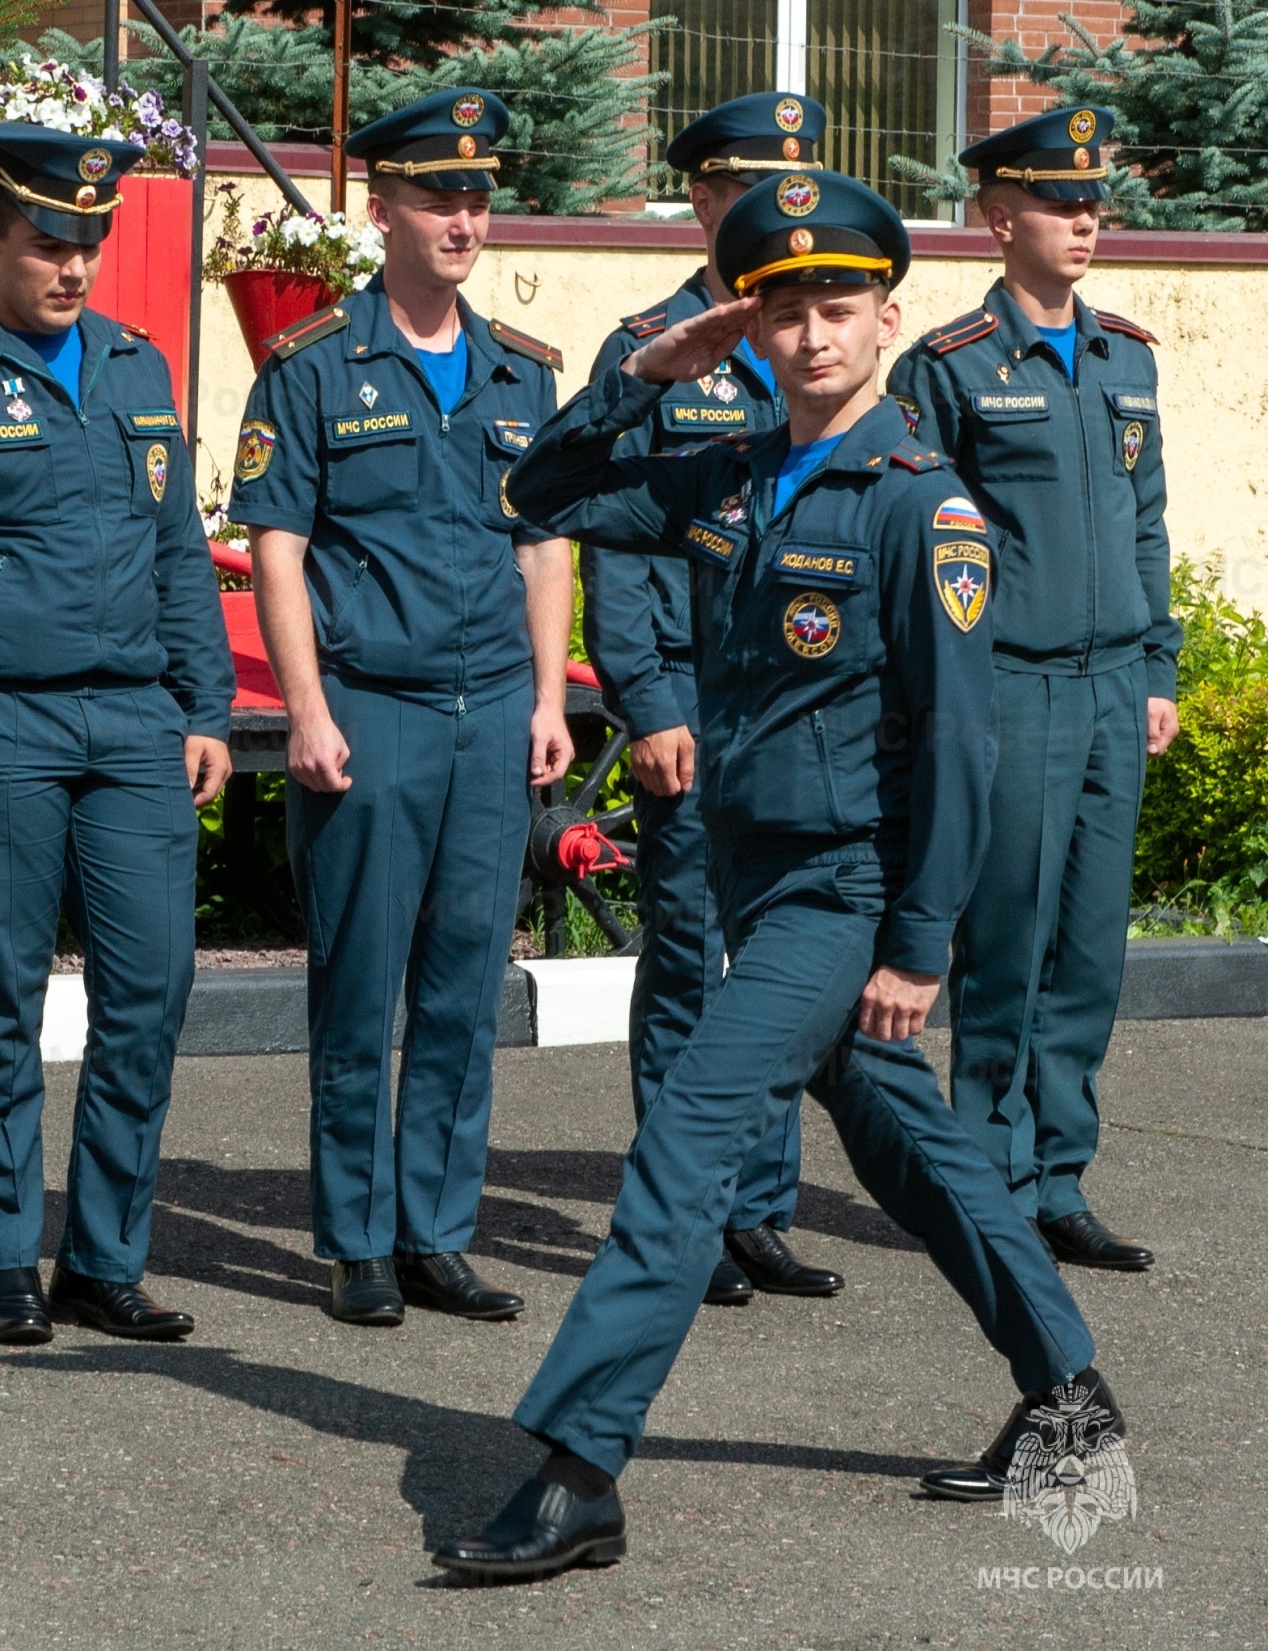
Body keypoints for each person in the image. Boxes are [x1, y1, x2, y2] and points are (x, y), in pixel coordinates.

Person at [433, 171, 1118, 1581]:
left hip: (843, 886)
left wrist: (917, 944)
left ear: (885, 319)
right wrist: (646, 373)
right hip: (759, 878)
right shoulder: (733, 470)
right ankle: (1068, 1400)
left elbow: (966, 743)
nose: (812, 336)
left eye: (839, 307)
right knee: (909, 1149)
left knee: (689, 1134)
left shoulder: (922, 507)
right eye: (785, 310)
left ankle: (579, 1463)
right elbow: (533, 490)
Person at [0, 122, 235, 1347]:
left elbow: (179, 551)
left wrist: (206, 704)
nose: (72, 267)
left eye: (90, 242)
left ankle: (104, 1260)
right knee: (2, 993)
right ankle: (8, 1258)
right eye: (47, 242)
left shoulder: (138, 367)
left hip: (132, 722)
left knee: (148, 992)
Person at [228, 87, 574, 1328]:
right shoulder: (314, 365)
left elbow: (543, 546)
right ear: (380, 211)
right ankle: (355, 1238)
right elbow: (276, 546)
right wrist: (305, 712)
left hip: (490, 717)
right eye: (437, 196)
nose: (462, 218)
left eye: (477, 196)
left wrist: (549, 699)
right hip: (369, 710)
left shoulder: (520, 376)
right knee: (360, 982)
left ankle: (437, 1230)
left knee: (462, 985)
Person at [888, 107, 1175, 1271]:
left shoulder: (1124, 354)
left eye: (1093, 203)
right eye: (1062, 203)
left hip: (1112, 688)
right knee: (1001, 945)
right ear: (997, 219)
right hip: (1009, 688)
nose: (1086, 220)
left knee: (1088, 950)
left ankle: (1057, 1176)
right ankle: (983, 1180)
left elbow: (1146, 522)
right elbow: (924, 540)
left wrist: (1156, 666)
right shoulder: (948, 368)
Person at [585, 92, 842, 1309]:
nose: (770, 213)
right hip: (691, 705)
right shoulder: (652, 343)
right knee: (686, 961)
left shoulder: (814, 340)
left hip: (790, 718)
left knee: (778, 963)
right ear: (698, 199)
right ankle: (683, 1211)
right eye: (743, 188)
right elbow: (616, 545)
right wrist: (644, 703)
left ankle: (759, 1210)